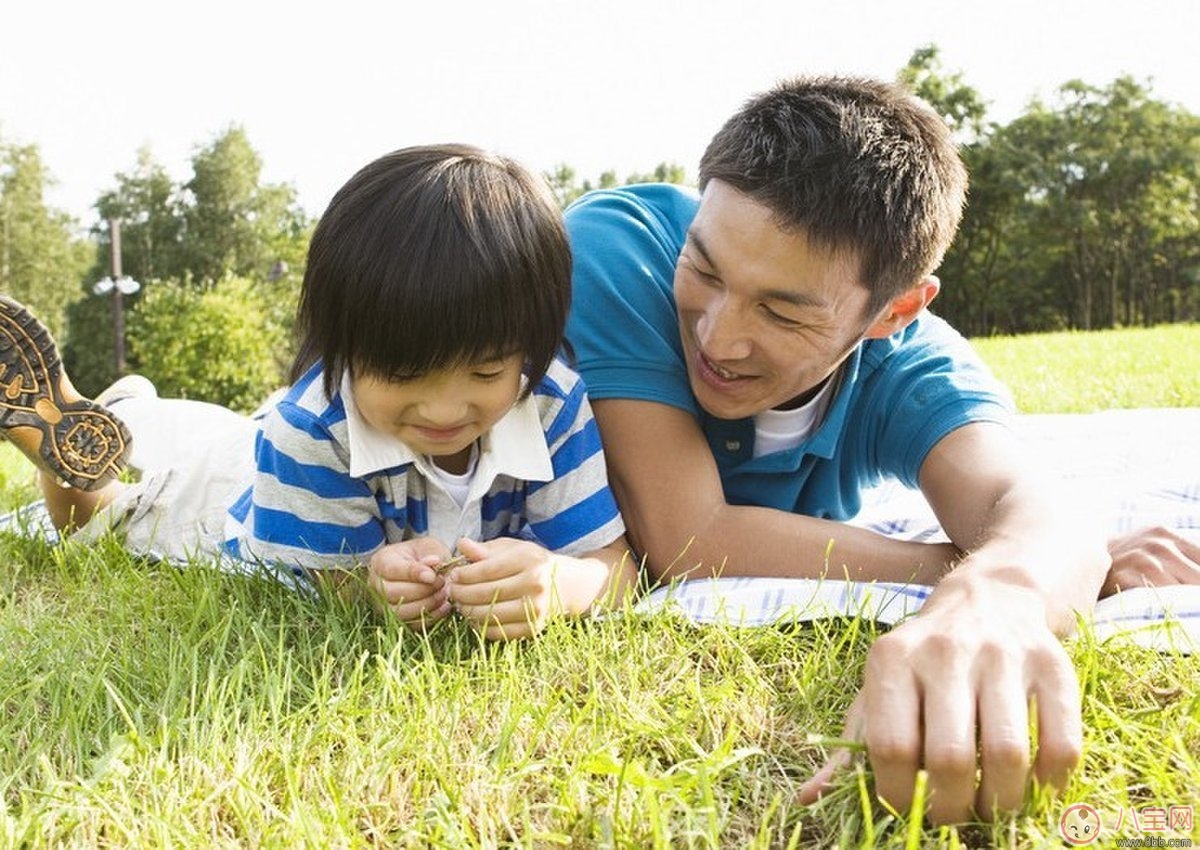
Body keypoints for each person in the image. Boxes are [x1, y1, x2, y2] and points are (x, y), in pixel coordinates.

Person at [562, 75, 1114, 824]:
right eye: (705, 270)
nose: (718, 338)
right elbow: (687, 537)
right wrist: (970, 562)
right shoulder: (619, 248)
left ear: (896, 311)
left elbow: (1033, 505)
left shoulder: (917, 371)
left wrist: (999, 594)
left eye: (783, 313)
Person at [0, 143, 636, 641]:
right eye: (404, 375)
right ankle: (76, 430)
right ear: (342, 347)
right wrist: (369, 588)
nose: (445, 410)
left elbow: (613, 566)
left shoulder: (552, 402)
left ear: (533, 345)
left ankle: (131, 408)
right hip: (242, 495)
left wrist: (564, 585)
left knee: (217, 432)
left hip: (268, 442)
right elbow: (329, 585)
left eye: (487, 374)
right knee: (114, 518)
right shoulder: (310, 427)